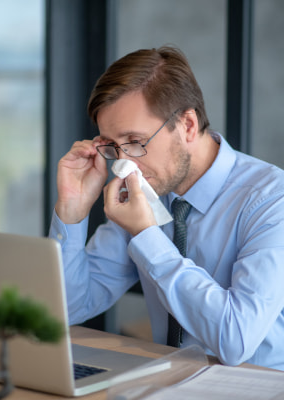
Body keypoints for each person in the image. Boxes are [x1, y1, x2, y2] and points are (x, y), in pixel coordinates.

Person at [48, 45, 284, 370]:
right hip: (169, 384)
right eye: (113, 146)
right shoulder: (144, 189)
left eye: (135, 141)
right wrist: (72, 210)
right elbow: (70, 307)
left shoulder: (272, 199)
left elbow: (236, 340)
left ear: (187, 125)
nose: (124, 163)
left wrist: (146, 235)